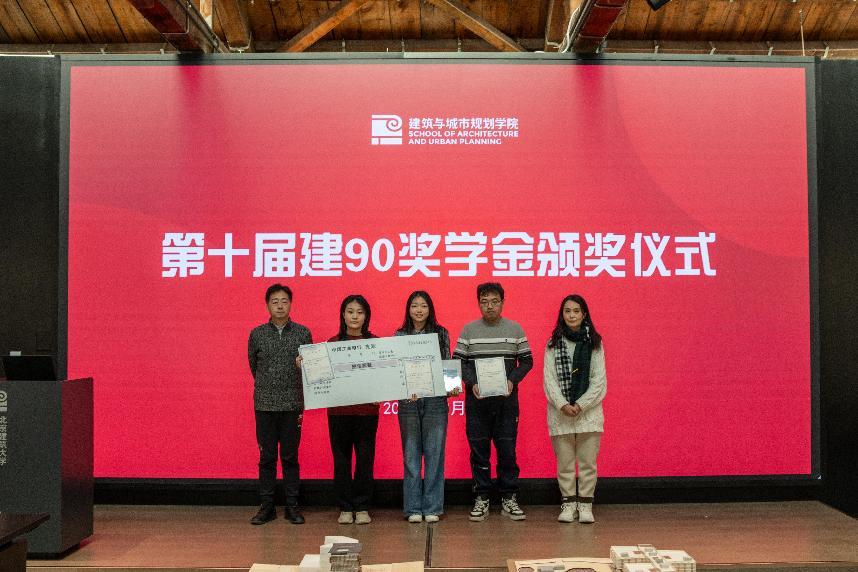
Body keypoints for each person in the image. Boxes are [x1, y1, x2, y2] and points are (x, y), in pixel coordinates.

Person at [454, 282, 533, 522]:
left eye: (494, 301)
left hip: (506, 404)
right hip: (477, 403)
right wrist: (472, 383)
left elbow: (527, 361)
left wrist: (511, 380)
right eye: (484, 302)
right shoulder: (468, 330)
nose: (489, 306)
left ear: (502, 302)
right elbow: (458, 362)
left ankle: (509, 497)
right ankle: (482, 497)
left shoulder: (515, 329)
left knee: (507, 452)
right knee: (479, 453)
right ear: (478, 303)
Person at [247, 283, 312, 525]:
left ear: (291, 304)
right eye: (275, 301)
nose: (280, 306)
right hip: (265, 404)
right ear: (267, 305)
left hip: (292, 404)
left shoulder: (303, 333)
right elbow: (254, 366)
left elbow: (310, 367)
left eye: (284, 301)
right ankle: (267, 507)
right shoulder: (257, 334)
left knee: (290, 457)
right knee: (266, 458)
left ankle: (292, 506)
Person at [394, 290, 460, 523]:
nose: (419, 310)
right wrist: (404, 389)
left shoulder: (441, 333)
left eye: (423, 306)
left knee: (435, 454)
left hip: (435, 400)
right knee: (411, 455)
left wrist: (452, 387)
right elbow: (397, 368)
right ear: (408, 309)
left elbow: (447, 361)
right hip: (409, 400)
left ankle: (432, 507)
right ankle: (413, 508)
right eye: (414, 306)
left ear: (430, 309)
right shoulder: (399, 335)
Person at [543, 294, 607, 524]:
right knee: (565, 464)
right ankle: (569, 504)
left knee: (588, 463)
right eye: (567, 311)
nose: (572, 315)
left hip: (588, 414)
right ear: (562, 315)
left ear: (584, 314)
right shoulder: (552, 344)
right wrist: (562, 404)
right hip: (560, 414)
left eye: (576, 311)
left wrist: (581, 404)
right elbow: (549, 380)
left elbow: (599, 381)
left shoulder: (595, 344)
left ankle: (586, 505)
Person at [327, 294, 379, 525]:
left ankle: (362, 506)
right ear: (343, 315)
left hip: (367, 412)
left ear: (366, 316)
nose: (355, 316)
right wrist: (306, 365)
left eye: (359, 312)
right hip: (339, 412)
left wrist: (383, 390)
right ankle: (345, 507)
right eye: (350, 312)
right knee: (341, 460)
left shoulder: (375, 343)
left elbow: (384, 375)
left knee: (365, 460)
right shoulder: (332, 344)